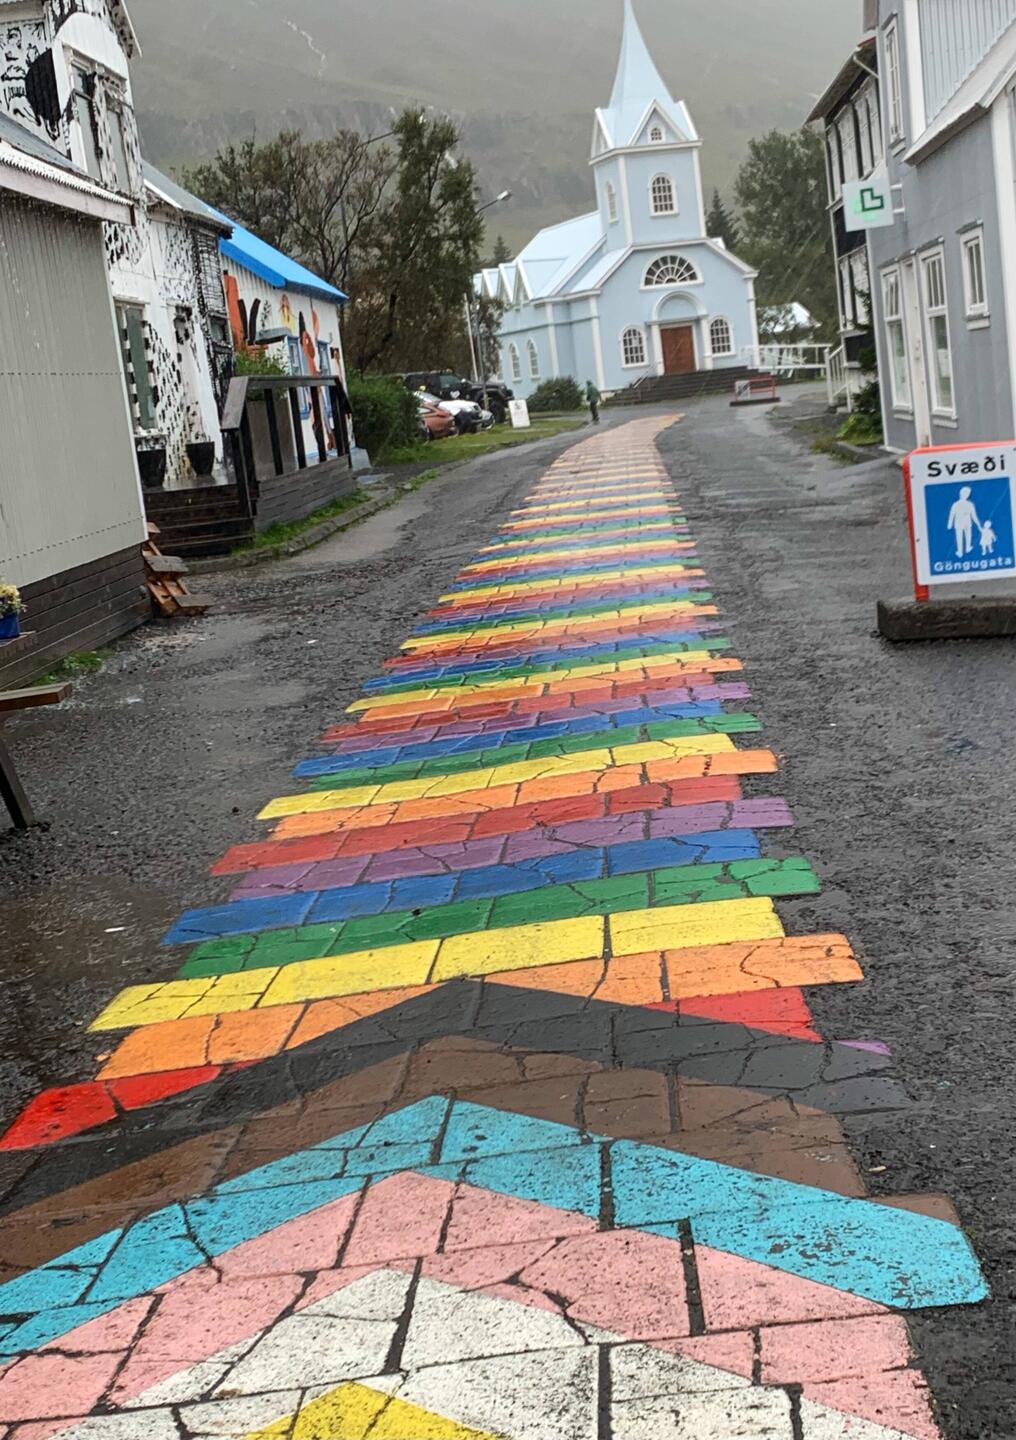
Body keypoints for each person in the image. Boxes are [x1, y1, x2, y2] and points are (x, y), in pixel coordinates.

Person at [947, 486, 982, 559]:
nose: (967, 495)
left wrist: (978, 525)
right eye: (966, 493)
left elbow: (974, 516)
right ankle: (961, 551)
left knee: (966, 536)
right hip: (960, 523)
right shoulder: (957, 504)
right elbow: (952, 514)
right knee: (960, 537)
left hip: (966, 523)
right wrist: (949, 524)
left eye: (968, 494)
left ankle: (966, 548)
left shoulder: (969, 504)